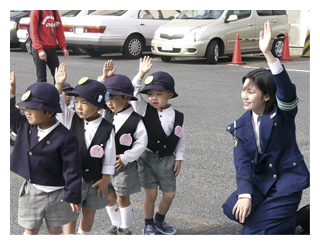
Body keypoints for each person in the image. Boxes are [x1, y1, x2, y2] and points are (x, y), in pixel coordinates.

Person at [222, 21, 310, 234]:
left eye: (251, 91)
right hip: (262, 183)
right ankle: (292, 218)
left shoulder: (283, 114)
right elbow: (242, 163)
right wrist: (245, 195)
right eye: (244, 89)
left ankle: (299, 217)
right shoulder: (241, 125)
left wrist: (269, 54)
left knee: (251, 233)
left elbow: (287, 92)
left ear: (267, 96)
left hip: (287, 182)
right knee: (232, 209)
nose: (244, 95)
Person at [10, 71, 82, 235]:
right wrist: (11, 94)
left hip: (57, 192)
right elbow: (11, 117)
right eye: (26, 107)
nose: (27, 112)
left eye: (33, 108)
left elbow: (72, 169)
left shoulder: (66, 137)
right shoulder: (26, 125)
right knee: (30, 228)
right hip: (33, 189)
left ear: (50, 112)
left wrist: (73, 194)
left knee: (55, 229)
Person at [54, 63, 116, 235]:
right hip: (72, 179)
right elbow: (57, 105)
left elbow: (109, 156)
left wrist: (105, 179)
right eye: (76, 101)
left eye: (84, 103)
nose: (79, 106)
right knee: (71, 214)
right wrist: (59, 85)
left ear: (98, 107)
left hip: (96, 180)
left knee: (89, 214)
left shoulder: (107, 127)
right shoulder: (70, 118)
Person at [131, 56, 185, 235]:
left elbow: (180, 138)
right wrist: (141, 73)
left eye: (159, 93)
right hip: (146, 158)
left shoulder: (178, 116)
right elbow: (133, 93)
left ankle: (159, 220)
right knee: (151, 195)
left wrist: (179, 158)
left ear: (170, 94)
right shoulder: (143, 108)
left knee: (169, 195)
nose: (153, 98)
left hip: (167, 160)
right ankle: (147, 223)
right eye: (150, 94)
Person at [97, 67, 147, 235]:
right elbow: (94, 94)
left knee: (122, 197)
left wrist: (127, 157)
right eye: (107, 98)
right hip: (104, 166)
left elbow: (141, 142)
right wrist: (103, 78)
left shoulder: (135, 119)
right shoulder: (106, 113)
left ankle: (125, 228)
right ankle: (115, 224)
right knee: (108, 196)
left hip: (123, 166)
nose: (109, 102)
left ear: (126, 98)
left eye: (113, 98)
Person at [29, 10, 69, 83]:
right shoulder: (36, 11)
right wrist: (40, 50)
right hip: (39, 48)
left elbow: (59, 30)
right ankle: (41, 94)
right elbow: (33, 32)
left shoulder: (54, 11)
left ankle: (57, 94)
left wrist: (63, 47)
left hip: (51, 48)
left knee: (58, 76)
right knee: (42, 77)